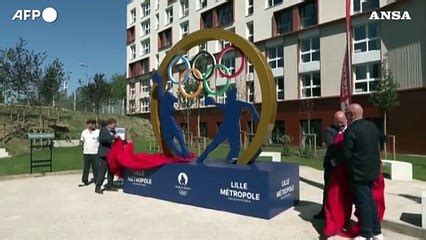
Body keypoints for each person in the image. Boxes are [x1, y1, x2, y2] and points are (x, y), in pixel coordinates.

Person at [343, 104, 382, 240]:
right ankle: (377, 232)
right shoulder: (372, 126)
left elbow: (346, 154)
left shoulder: (351, 130)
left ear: (352, 114)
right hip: (373, 170)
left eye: (346, 113)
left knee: (363, 202)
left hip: (359, 172)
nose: (345, 116)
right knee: (370, 201)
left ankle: (366, 234)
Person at [196, 86, 260, 164]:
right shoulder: (232, 105)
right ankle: (203, 156)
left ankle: (228, 158)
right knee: (217, 144)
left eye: (230, 95)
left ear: (232, 96)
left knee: (234, 147)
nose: (229, 98)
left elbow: (250, 106)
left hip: (231, 129)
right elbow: (250, 106)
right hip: (228, 129)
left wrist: (255, 115)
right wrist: (255, 115)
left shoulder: (235, 104)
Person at [314, 111, 347, 219]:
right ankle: (324, 212)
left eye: (343, 122)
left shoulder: (350, 129)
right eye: (339, 123)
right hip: (331, 166)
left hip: (345, 166)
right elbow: (332, 146)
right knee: (328, 189)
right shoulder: (330, 131)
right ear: (334, 122)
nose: (342, 125)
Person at [152, 72, 191, 158]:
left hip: (168, 121)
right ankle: (181, 153)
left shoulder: (166, 97)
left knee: (177, 134)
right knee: (171, 138)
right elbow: (173, 104)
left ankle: (183, 151)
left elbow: (173, 105)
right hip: (166, 122)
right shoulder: (164, 96)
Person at [95, 118, 119, 194]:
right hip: (103, 154)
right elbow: (102, 139)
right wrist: (112, 138)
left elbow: (117, 140)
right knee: (102, 171)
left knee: (111, 170)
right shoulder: (103, 130)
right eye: (114, 125)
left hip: (111, 154)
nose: (115, 126)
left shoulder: (113, 131)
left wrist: (125, 141)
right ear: (110, 124)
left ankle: (110, 185)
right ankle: (98, 187)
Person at [80, 119, 99, 185]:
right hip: (86, 153)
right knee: (86, 167)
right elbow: (82, 141)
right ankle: (85, 180)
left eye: (94, 123)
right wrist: (83, 149)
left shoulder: (98, 132)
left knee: (95, 168)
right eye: (92, 123)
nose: (94, 125)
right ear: (88, 124)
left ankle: (97, 180)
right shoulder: (84, 132)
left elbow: (100, 141)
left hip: (95, 153)